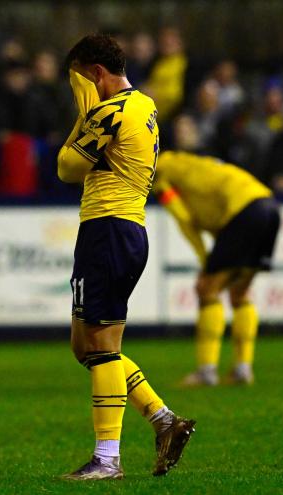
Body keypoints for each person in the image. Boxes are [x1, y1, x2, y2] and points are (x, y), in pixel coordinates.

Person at [57, 34, 195, 480]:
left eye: (78, 80)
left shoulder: (110, 110)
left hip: (108, 230)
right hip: (122, 229)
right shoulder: (145, 105)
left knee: (100, 348)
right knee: (88, 346)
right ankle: (163, 421)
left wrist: (84, 110)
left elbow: (66, 167)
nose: (76, 89)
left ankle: (106, 459)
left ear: (96, 73)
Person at [153, 151, 280, 386]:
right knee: (239, 292)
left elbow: (184, 218)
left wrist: (205, 260)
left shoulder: (157, 173)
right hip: (268, 206)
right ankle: (243, 368)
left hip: (243, 211)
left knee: (207, 289)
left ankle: (206, 371)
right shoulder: (186, 162)